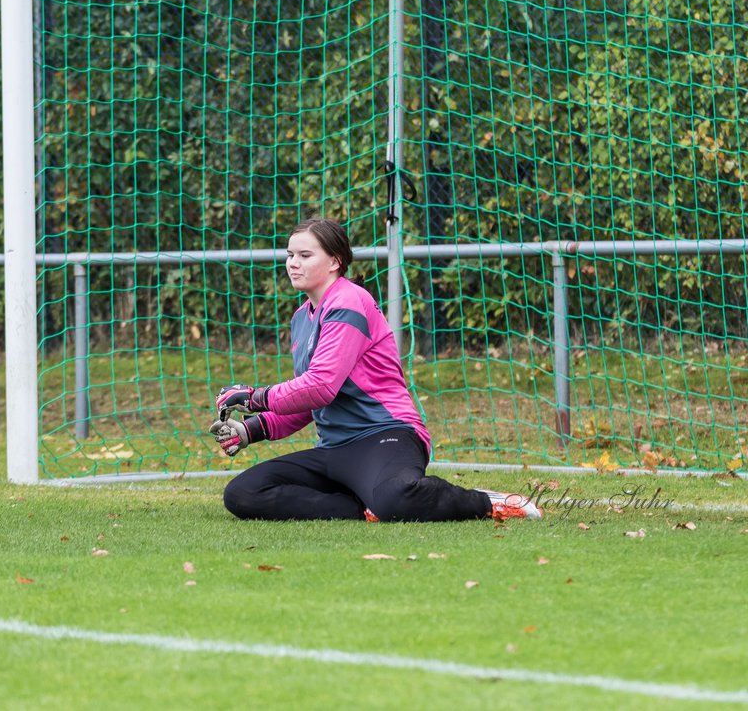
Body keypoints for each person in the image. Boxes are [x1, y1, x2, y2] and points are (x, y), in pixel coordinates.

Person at [210, 218, 542, 522]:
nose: (293, 263)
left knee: (397, 498)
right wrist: (250, 430)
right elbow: (313, 400)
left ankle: (487, 502)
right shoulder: (301, 318)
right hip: (335, 450)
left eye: (305, 255)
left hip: (386, 435)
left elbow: (321, 385)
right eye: (290, 254)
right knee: (243, 493)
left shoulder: (349, 302)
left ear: (335, 261)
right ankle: (365, 507)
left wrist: (255, 398)